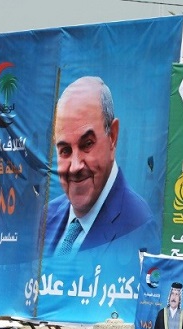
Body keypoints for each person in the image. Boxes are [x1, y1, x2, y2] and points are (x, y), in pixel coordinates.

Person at [44, 76, 159, 256]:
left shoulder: (138, 226)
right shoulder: (46, 219)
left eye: (87, 144)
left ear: (112, 136)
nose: (75, 166)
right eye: (65, 150)